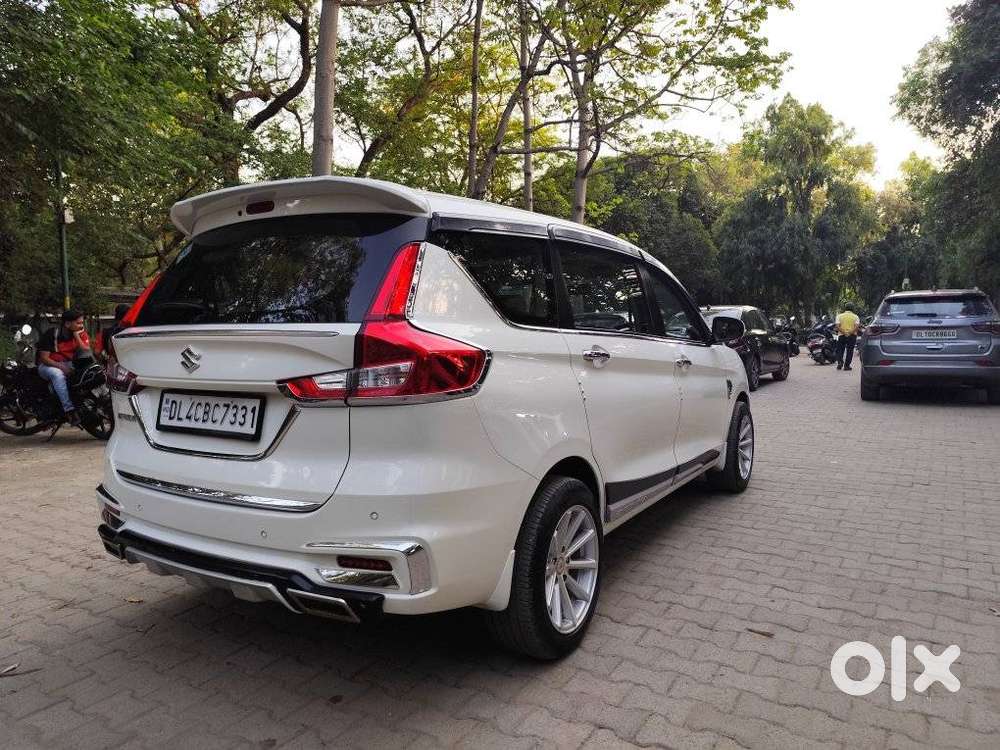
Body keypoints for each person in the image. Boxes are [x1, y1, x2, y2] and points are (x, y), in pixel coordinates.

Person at [36, 309, 92, 424]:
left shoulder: (81, 333)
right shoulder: (52, 334)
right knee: (58, 374)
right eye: (78, 323)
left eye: (82, 323)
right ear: (67, 324)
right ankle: (69, 410)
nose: (81, 325)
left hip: (69, 363)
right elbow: (44, 358)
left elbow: (86, 350)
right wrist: (62, 367)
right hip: (48, 366)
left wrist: (77, 336)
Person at [834, 303, 861, 371]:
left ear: (845, 308)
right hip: (852, 336)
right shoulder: (856, 317)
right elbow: (857, 327)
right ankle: (847, 366)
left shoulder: (839, 316)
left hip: (841, 335)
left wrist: (844, 332)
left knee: (840, 349)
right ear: (852, 308)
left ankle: (840, 362)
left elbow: (837, 326)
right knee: (850, 350)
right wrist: (849, 333)